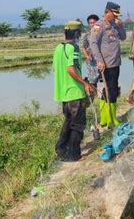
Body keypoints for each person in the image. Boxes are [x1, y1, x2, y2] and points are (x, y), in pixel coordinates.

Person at [53, 20, 94, 162]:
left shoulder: (58, 48)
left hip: (63, 94)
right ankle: (73, 155)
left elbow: (56, 69)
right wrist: (84, 83)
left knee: (68, 122)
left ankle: (61, 148)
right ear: (77, 34)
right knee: (78, 125)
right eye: (80, 32)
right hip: (75, 92)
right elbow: (71, 69)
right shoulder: (74, 48)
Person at [90, 1, 126, 128]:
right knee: (110, 89)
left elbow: (123, 37)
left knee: (112, 89)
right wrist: (99, 60)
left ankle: (108, 118)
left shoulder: (114, 25)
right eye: (114, 14)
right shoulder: (98, 26)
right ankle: (109, 119)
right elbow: (93, 43)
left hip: (115, 63)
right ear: (107, 12)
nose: (116, 17)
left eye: (117, 15)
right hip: (106, 64)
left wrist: (121, 26)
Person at [82, 14, 100, 87]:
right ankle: (94, 95)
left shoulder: (101, 33)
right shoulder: (87, 35)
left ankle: (106, 96)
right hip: (92, 60)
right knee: (93, 80)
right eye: (90, 23)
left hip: (101, 59)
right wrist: (87, 56)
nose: (92, 24)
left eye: (94, 22)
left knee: (105, 78)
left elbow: (96, 32)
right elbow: (83, 47)